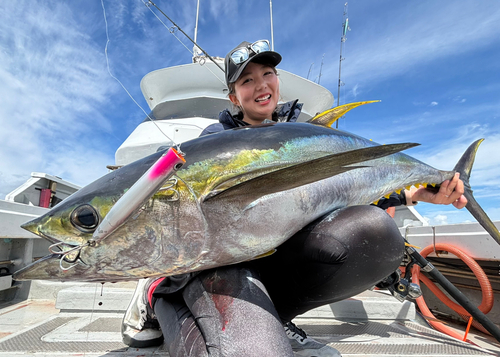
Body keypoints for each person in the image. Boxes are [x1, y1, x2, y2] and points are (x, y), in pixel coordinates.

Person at [121, 40, 467, 357]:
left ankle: (274, 315)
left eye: (267, 74)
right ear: (233, 97)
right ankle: (156, 294)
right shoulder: (216, 140)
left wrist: (419, 192)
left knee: (375, 231)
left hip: (274, 256)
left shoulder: (307, 134)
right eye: (246, 81)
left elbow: (340, 193)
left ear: (277, 82)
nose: (260, 85)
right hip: (224, 264)